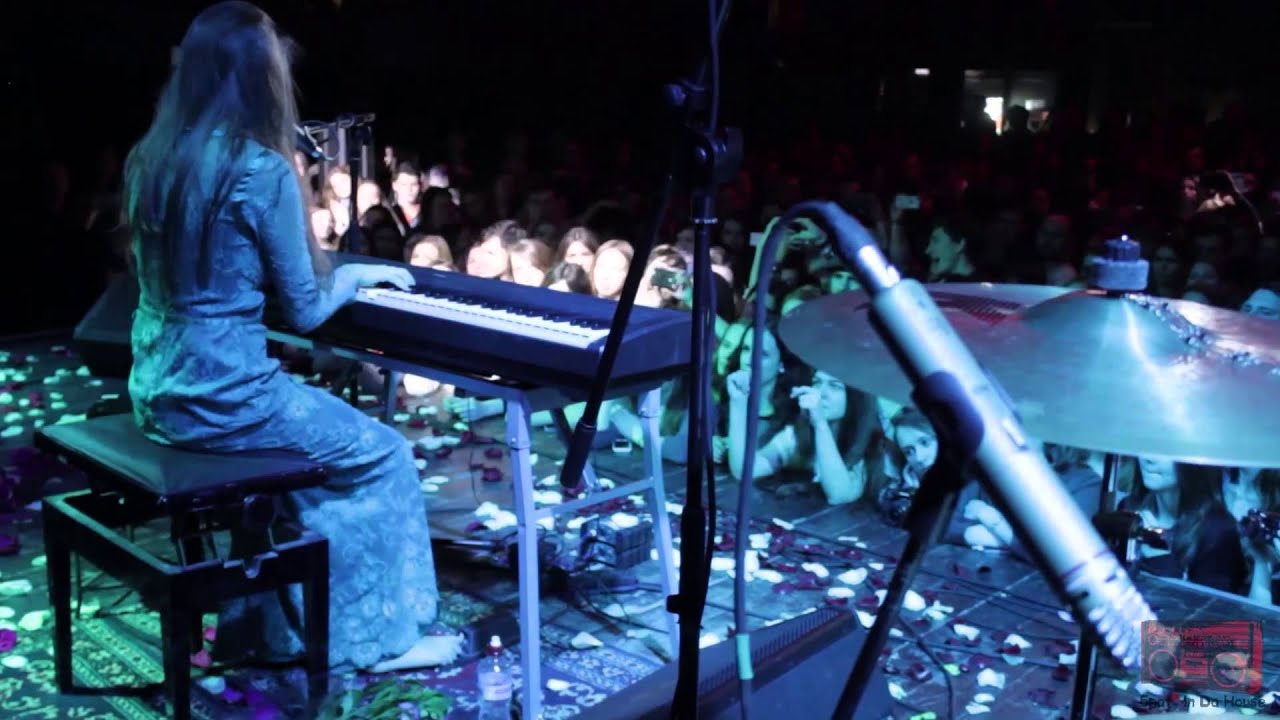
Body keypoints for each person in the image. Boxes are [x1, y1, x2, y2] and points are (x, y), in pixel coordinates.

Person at [122, 1, 461, 673]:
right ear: (260, 77)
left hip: (157, 389)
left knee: (306, 470)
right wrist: (355, 275)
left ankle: (280, 626)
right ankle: (378, 640)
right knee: (385, 455)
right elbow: (305, 310)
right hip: (228, 399)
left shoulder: (151, 159)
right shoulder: (258, 169)